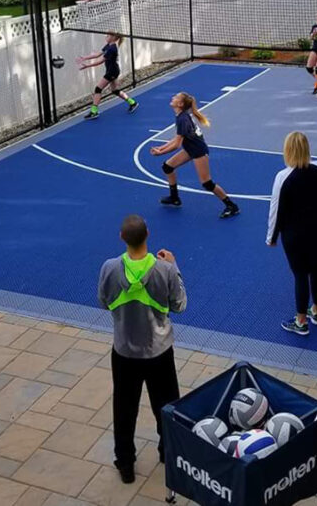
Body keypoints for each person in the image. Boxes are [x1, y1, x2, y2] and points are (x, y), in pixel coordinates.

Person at [97, 215, 186, 484]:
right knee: (166, 404)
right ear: (148, 234)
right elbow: (180, 305)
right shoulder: (164, 269)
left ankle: (125, 462)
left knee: (124, 408)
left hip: (124, 351)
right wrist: (175, 266)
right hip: (159, 351)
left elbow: (104, 302)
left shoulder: (110, 268)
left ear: (122, 237)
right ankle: (167, 452)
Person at [267, 132, 317, 335]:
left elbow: (276, 209)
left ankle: (300, 321)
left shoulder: (283, 177)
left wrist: (271, 237)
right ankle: (316, 310)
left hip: (294, 233)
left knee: (300, 274)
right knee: (316, 269)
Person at [149, 92, 240, 219]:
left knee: (207, 183)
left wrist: (161, 153)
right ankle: (174, 198)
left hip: (198, 151)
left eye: (175, 97)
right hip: (190, 149)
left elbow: (177, 145)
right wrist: (161, 147)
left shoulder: (182, 119)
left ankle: (231, 206)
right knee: (167, 167)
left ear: (180, 104)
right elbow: (176, 138)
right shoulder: (182, 116)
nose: (172, 98)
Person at [77, 32, 138, 119]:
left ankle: (94, 112)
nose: (106, 37)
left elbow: (100, 61)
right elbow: (97, 55)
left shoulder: (112, 49)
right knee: (115, 90)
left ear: (113, 37)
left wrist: (87, 66)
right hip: (112, 71)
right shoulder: (108, 46)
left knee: (98, 89)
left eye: (108, 35)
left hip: (112, 72)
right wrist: (85, 58)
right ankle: (132, 103)